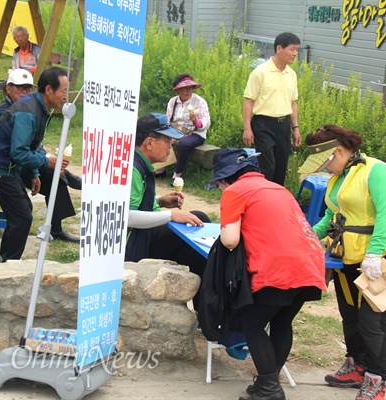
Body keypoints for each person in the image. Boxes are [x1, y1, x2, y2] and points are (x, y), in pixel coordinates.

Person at [210, 148, 326, 400]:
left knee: (251, 323)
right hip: (310, 263)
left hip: (280, 268)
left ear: (224, 178)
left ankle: (270, 388)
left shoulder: (234, 191)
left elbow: (230, 240)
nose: (220, 188)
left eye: (218, 183)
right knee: (282, 321)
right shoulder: (278, 188)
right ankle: (267, 382)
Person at [298, 125, 386, 400]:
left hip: (374, 261)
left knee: (372, 323)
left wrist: (376, 252)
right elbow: (332, 217)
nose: (324, 168)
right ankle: (357, 365)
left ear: (338, 151)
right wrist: (308, 236)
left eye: (325, 162)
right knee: (350, 316)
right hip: (343, 258)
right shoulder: (339, 178)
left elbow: (385, 212)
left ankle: (378, 379)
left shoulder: (375, 170)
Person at [0, 67, 68, 262]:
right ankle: (7, 262)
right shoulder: (28, 111)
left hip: (10, 167)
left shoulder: (40, 108)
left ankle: (6, 259)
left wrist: (35, 172)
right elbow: (18, 152)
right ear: (49, 90)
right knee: (22, 217)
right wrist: (46, 162)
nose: (66, 96)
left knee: (23, 212)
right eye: (63, 90)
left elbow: (31, 145)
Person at [126, 112, 210, 310]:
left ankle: (206, 310)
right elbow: (125, 216)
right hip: (136, 243)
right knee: (199, 220)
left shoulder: (141, 164)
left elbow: (136, 201)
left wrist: (161, 201)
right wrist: (171, 215)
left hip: (146, 234)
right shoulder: (133, 169)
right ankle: (207, 311)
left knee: (199, 247)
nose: (171, 146)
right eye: (167, 140)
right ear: (148, 142)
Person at [242, 32, 302, 186]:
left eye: (297, 50)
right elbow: (249, 101)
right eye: (292, 49)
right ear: (279, 48)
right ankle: (262, 201)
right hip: (263, 124)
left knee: (281, 168)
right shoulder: (260, 72)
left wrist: (295, 128)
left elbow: (292, 103)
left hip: (283, 126)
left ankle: (276, 204)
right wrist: (247, 129)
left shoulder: (292, 75)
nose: (295, 54)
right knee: (268, 167)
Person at [163, 73, 211, 183]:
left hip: (196, 133)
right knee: (160, 138)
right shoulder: (173, 101)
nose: (187, 91)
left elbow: (207, 122)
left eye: (190, 88)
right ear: (178, 90)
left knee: (184, 144)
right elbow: (168, 119)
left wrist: (196, 121)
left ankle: (177, 174)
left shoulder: (199, 102)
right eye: (184, 89)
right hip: (176, 130)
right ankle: (160, 169)